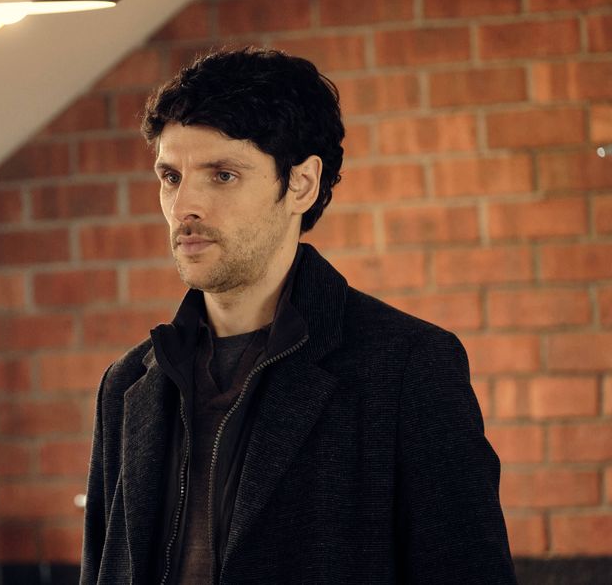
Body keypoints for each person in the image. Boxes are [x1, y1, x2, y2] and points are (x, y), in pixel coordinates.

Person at [79, 48, 516, 584]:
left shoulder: (405, 367)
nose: (184, 205)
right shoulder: (129, 384)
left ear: (301, 184)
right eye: (170, 176)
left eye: (222, 175)